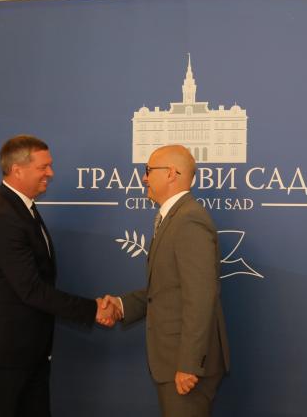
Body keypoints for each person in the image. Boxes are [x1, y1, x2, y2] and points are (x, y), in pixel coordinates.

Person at [0, 134, 116, 417]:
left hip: (27, 351)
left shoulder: (21, 208)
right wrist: (93, 309)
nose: (51, 173)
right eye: (43, 167)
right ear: (17, 170)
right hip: (4, 354)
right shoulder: (3, 217)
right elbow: (32, 289)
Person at [101, 144, 230, 416]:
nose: (144, 177)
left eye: (148, 170)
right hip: (174, 362)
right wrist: (122, 305)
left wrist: (189, 364)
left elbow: (200, 296)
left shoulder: (189, 220)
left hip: (185, 366)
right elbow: (167, 290)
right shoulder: (174, 217)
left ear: (171, 173)